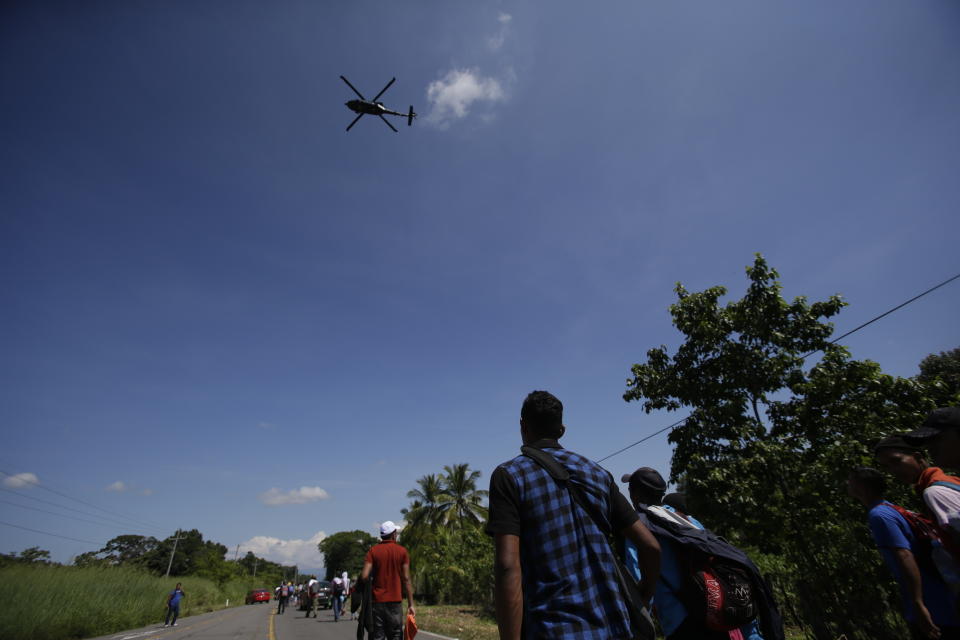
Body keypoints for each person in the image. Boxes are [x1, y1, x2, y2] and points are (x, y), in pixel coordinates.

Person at [485, 390, 661, 640]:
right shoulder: (597, 473)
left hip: (556, 630)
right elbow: (651, 546)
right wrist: (643, 595)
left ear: (523, 427)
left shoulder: (510, 476)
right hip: (617, 628)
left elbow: (507, 567)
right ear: (562, 430)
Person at [621, 467, 771, 640]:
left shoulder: (639, 529)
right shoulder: (686, 519)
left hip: (678, 621)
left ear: (636, 495)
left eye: (631, 489)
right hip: (711, 610)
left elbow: (637, 581)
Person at [848, 466, 960, 639]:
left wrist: (918, 603)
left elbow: (904, 555)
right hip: (942, 599)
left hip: (931, 603)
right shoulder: (892, 508)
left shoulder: (879, 515)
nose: (847, 485)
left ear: (862, 487)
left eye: (851, 482)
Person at [875, 435, 960, 552]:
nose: (892, 471)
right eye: (886, 467)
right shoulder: (950, 481)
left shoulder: (934, 492)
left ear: (918, 457)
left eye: (896, 461)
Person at [361, 521, 415, 640]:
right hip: (395, 602)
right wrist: (411, 604)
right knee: (396, 635)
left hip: (377, 602)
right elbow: (406, 579)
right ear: (394, 534)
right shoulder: (402, 551)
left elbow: (364, 576)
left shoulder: (373, 551)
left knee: (378, 636)